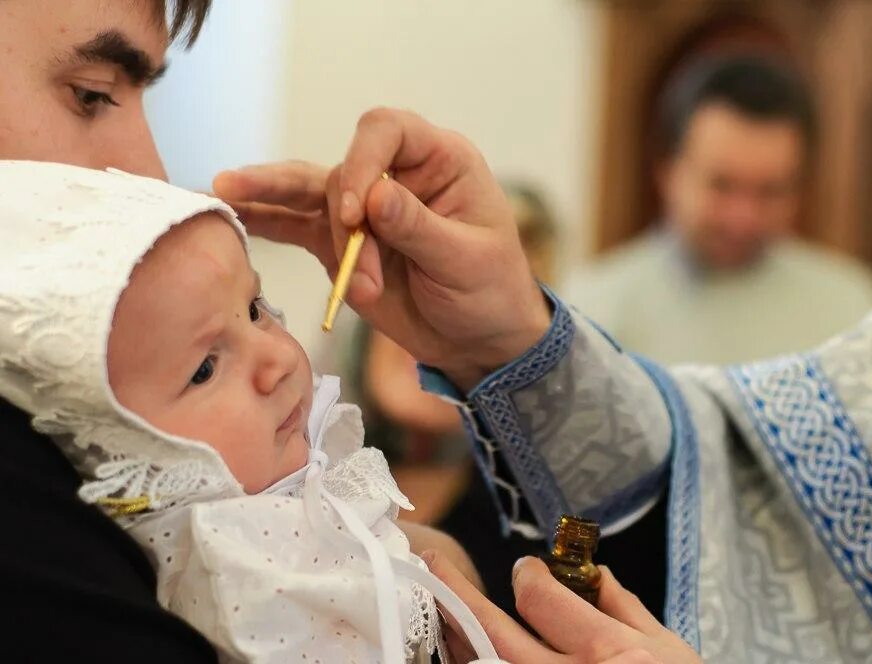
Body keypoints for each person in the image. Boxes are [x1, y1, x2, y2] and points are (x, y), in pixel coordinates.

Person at [1, 2, 872, 663]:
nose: (140, 164)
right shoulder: (114, 486)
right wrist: (516, 351)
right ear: (666, 172)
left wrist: (498, 590)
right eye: (91, 93)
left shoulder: (846, 287)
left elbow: (577, 536)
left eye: (260, 308)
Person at [0, 160, 504, 663]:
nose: (280, 360)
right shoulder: (225, 574)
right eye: (204, 369)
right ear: (121, 443)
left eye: (255, 310)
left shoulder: (317, 504)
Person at [565, 56, 872, 365]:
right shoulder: (593, 312)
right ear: (668, 171)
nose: (742, 218)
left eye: (771, 191)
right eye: (721, 185)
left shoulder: (852, 310)